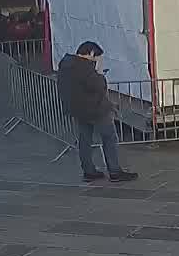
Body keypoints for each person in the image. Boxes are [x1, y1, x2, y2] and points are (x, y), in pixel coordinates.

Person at [59, 41, 138, 183]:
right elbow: (99, 86)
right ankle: (114, 171)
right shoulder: (84, 68)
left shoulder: (66, 64)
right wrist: (100, 71)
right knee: (109, 138)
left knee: (85, 140)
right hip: (96, 109)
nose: (97, 62)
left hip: (78, 109)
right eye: (97, 58)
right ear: (90, 53)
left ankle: (88, 171)